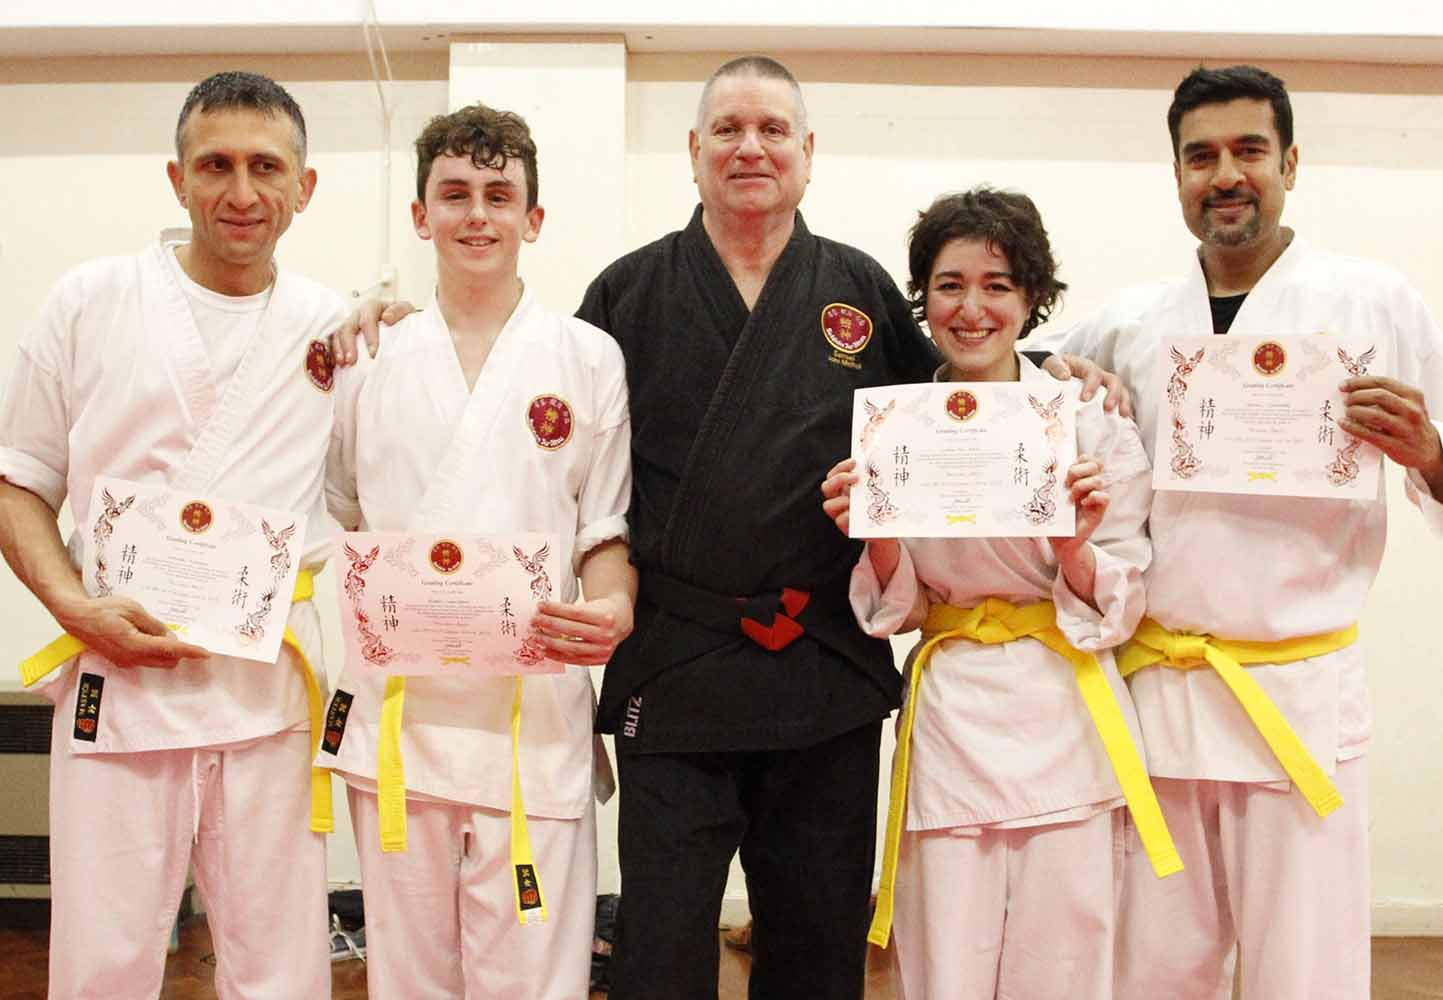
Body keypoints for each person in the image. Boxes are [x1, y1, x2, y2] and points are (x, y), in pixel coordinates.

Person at [331, 54, 1126, 999]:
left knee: (817, 947)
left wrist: (1053, 366)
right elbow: (522, 382)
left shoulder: (856, 286)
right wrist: (397, 321)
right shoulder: (629, 293)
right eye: (728, 130)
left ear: (807, 153)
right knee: (661, 951)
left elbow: (956, 388)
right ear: (694, 150)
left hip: (822, 665)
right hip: (678, 668)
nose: (750, 148)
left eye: (772, 130)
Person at [1045, 65, 1443, 1000]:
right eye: (1201, 156)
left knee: (1304, 968)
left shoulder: (1374, 303)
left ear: (1289, 163)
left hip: (1297, 693)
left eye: (1248, 151)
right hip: (1157, 693)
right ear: (1177, 175)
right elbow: (1018, 394)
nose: (1225, 175)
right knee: (1148, 968)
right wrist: (1060, 375)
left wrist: (1428, 452)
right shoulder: (1128, 323)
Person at [0, 72, 351, 998]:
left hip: (266, 693)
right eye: (215, 165)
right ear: (177, 177)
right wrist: (72, 606)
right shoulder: (90, 302)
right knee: (101, 961)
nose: (241, 192)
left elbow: (376, 490)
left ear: (304, 186)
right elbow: (18, 479)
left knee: (281, 967)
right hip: (118, 683)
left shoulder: (334, 326)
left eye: (266, 167)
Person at [819, 187, 1173, 999]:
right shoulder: (894, 424)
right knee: (945, 963)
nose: (971, 309)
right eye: (949, 285)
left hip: (1066, 714)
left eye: (997, 285)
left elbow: (1124, 597)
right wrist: (873, 529)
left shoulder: (1089, 421)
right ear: (922, 297)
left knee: (1064, 966)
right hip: (952, 717)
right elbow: (899, 609)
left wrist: (1071, 545)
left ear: (1032, 298)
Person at [319, 102, 635, 1000]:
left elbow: (602, 529)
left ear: (533, 219)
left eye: (499, 195)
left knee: (535, 975)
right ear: (420, 215)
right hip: (400, 718)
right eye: (454, 194)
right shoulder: (366, 357)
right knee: (410, 974)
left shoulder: (588, 357)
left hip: (531, 716)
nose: (477, 214)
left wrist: (613, 606)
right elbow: (345, 513)